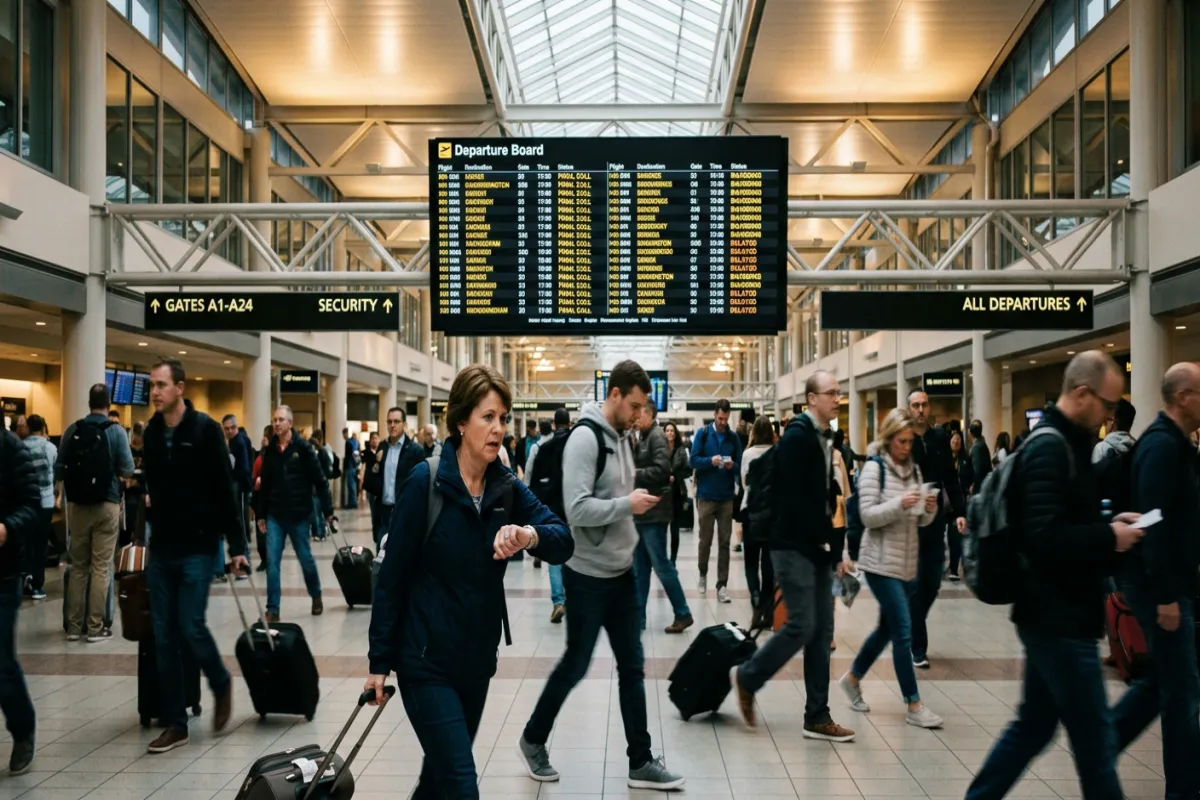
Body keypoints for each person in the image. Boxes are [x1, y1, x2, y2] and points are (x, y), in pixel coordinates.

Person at [364, 365, 573, 798]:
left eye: (503, 419)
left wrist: (527, 535)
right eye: (487, 417)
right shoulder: (427, 481)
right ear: (461, 422)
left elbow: (563, 540)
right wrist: (379, 663)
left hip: (476, 663)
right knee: (461, 784)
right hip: (425, 663)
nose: (498, 429)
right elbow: (392, 576)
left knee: (437, 780)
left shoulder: (506, 486)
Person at [965, 351, 1141, 800]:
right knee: (1096, 746)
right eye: (1106, 405)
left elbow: (1065, 521)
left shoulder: (1068, 444)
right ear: (1082, 394)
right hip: (1057, 618)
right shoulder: (1049, 447)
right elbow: (1044, 538)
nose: (1108, 416)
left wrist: (1111, 525)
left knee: (1034, 727)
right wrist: (1109, 537)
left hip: (1058, 615)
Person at [519, 360, 685, 791]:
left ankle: (641, 761)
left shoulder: (623, 438)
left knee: (632, 666)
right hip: (587, 575)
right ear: (614, 395)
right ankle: (533, 738)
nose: (638, 414)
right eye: (633, 405)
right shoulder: (585, 439)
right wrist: (626, 506)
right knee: (576, 663)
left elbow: (618, 494)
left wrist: (633, 502)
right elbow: (576, 510)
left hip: (622, 573)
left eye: (641, 407)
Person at [730, 371, 855, 743]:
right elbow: (794, 499)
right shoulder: (800, 437)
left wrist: (833, 549)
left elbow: (824, 495)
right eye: (830, 393)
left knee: (822, 632)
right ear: (811, 398)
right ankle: (749, 676)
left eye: (838, 392)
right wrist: (822, 541)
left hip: (814, 546)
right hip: (791, 545)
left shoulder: (820, 436)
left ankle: (817, 715)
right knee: (801, 624)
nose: (837, 398)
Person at [141, 359, 249, 754]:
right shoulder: (152, 433)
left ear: (180, 388)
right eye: (152, 385)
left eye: (162, 385)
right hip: (163, 549)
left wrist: (237, 547)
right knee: (163, 636)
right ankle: (175, 722)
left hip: (200, 547)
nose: (155, 392)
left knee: (190, 625)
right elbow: (151, 491)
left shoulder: (204, 430)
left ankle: (220, 681)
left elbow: (225, 491)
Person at [1111, 363, 1200, 799]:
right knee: (1181, 693)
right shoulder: (1162, 446)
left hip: (1168, 584)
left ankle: (1102, 742)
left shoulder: (1175, 444)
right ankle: (1185, 790)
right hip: (1160, 588)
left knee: (1162, 683)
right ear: (1182, 396)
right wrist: (1166, 596)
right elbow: (1155, 521)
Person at [837, 408, 944, 729]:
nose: (906, 447)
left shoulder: (913, 470)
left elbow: (920, 521)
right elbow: (868, 515)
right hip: (879, 563)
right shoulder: (874, 469)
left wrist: (928, 509)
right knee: (903, 630)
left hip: (906, 563)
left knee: (887, 629)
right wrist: (901, 504)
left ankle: (853, 679)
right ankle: (914, 704)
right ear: (888, 438)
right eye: (901, 441)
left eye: (910, 441)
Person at [56, 383, 134, 642]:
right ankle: (95, 627)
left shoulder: (73, 429)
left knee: (78, 566)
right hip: (106, 505)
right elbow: (128, 469)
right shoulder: (116, 431)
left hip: (77, 506)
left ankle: (74, 627)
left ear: (88, 402)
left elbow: (59, 467)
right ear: (109, 403)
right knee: (101, 567)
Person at [905, 390, 966, 670]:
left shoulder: (939, 438)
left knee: (931, 584)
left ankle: (911, 622)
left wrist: (960, 512)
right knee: (917, 583)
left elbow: (950, 478)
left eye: (924, 404)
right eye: (915, 405)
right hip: (909, 522)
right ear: (908, 408)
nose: (920, 409)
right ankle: (918, 646)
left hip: (935, 519)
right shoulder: (903, 439)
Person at [254, 406, 332, 622]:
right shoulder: (269, 452)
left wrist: (328, 511)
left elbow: (320, 481)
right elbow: (265, 487)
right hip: (275, 515)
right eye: (274, 420)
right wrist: (261, 515)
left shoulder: (304, 448)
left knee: (305, 559)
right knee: (272, 563)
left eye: (281, 420)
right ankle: (273, 609)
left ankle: (316, 595)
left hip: (299, 515)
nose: (276, 423)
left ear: (290, 422)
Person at [632, 403, 692, 634]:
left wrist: (634, 474)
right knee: (641, 568)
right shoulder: (644, 437)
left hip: (654, 513)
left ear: (650, 415)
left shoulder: (656, 437)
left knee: (662, 566)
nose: (637, 417)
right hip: (643, 513)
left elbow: (662, 470)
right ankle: (638, 619)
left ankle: (683, 612)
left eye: (640, 413)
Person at [0, 423, 40, 774]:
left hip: (3, 573)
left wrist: (6, 527)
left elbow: (31, 505)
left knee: (1, 663)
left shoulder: (11, 449)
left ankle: (23, 728)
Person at [688, 398, 743, 602]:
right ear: (714, 415)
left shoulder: (733, 438)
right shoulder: (703, 435)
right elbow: (693, 460)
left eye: (726, 419)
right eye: (720, 418)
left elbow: (740, 465)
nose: (722, 422)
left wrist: (732, 466)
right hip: (706, 496)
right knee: (705, 540)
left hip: (726, 497)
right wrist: (710, 461)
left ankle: (722, 585)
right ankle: (702, 573)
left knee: (725, 542)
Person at [527, 409, 572, 621]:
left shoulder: (544, 448)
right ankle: (574, 598)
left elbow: (534, 481)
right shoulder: (577, 445)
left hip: (553, 508)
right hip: (575, 507)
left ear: (554, 425)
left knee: (556, 555)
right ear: (569, 423)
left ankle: (558, 601)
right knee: (576, 554)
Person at [362, 407, 424, 548]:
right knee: (381, 557)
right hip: (384, 513)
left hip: (404, 513)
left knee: (401, 558)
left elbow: (421, 485)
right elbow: (370, 481)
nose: (392, 425)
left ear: (404, 424)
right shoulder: (382, 447)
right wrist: (376, 462)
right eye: (389, 422)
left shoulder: (415, 451)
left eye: (396, 421)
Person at [740, 416, 776, 625]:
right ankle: (768, 606)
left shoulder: (748, 454)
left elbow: (745, 482)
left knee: (751, 561)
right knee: (768, 564)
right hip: (772, 514)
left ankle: (755, 596)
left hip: (751, 512)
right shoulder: (777, 452)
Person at [21, 415, 55, 601]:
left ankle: (25, 578)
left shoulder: (21, 446)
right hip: (45, 502)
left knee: (26, 543)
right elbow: (56, 472)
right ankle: (38, 587)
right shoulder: (49, 447)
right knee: (41, 544)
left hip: (26, 503)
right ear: (43, 427)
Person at [220, 415, 254, 577]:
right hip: (239, 486)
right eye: (225, 429)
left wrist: (237, 481)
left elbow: (244, 468)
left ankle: (244, 562)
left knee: (239, 522)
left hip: (239, 487)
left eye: (231, 428)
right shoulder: (237, 441)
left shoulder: (238, 443)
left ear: (236, 427)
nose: (228, 431)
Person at [946, 430, 973, 582]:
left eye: (958, 441)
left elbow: (971, 478)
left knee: (955, 534)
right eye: (953, 441)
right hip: (945, 501)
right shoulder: (945, 459)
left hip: (959, 502)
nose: (955, 443)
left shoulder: (965, 460)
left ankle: (954, 567)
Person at [663, 421, 691, 563]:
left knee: (675, 530)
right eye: (667, 430)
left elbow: (688, 470)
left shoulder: (681, 449)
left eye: (672, 431)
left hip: (677, 493)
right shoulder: (660, 449)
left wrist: (676, 475)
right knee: (661, 531)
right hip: (662, 494)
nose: (670, 433)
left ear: (675, 433)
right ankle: (661, 560)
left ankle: (672, 560)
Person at [309, 430, 333, 542]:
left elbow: (327, 470)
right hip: (314, 487)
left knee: (318, 511)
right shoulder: (318, 454)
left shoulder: (322, 453)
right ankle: (317, 532)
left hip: (319, 487)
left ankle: (320, 533)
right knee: (315, 511)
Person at [362, 431, 381, 536]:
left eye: (376, 438)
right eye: (373, 438)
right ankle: (375, 532)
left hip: (380, 485)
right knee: (373, 510)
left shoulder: (382, 452)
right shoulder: (366, 453)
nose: (375, 440)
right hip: (371, 486)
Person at [967, 421, 992, 491]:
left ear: (970, 432)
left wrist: (974, 485)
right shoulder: (982, 444)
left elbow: (977, 470)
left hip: (979, 487)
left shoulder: (976, 447)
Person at [341, 427, 360, 509]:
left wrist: (345, 466)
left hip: (350, 465)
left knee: (350, 485)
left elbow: (349, 455)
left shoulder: (348, 442)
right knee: (353, 485)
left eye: (344, 434)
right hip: (354, 466)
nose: (343, 436)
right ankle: (353, 502)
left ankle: (352, 503)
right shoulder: (355, 442)